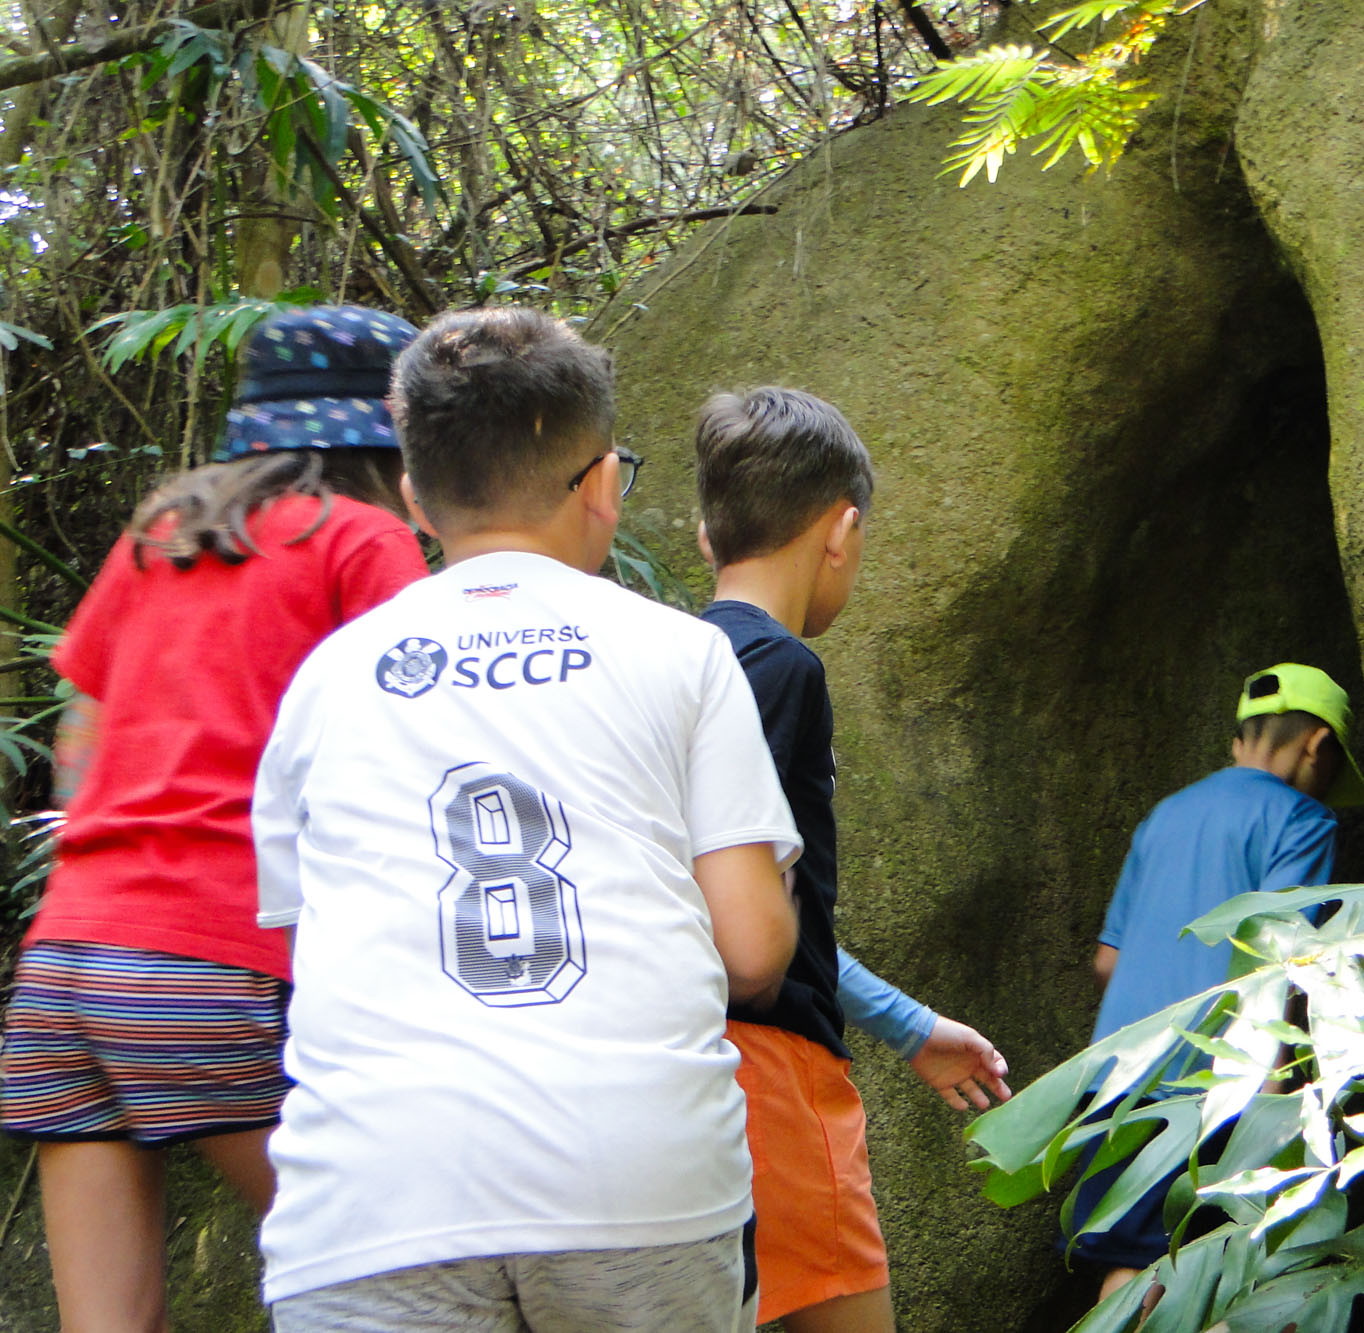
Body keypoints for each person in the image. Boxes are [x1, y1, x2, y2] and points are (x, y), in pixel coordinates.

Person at [251, 308, 799, 1332]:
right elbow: (754, 948)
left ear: (415, 499)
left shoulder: (324, 681)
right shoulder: (681, 653)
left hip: (373, 1197)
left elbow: (301, 955)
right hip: (637, 1178)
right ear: (602, 482)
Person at [0, 306, 431, 1332]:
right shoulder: (362, 539)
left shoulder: (163, 528)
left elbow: (81, 731)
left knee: (106, 1323)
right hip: (212, 959)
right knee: (404, 1278)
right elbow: (412, 743)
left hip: (65, 964)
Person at [693, 386, 1012, 1332]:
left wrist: (908, 1024)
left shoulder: (667, 663)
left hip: (677, 1068)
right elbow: (749, 926)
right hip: (773, 1077)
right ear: (841, 532)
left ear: (708, 537)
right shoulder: (780, 667)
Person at [1076, 663, 1364, 1302]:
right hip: (1217, 1086)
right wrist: (1274, 1087)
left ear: (1238, 740)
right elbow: (1278, 954)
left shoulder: (1164, 816)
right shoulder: (1302, 819)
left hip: (1116, 1080)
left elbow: (1107, 962)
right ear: (1318, 745)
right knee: (1235, 1274)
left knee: (1134, 1270)